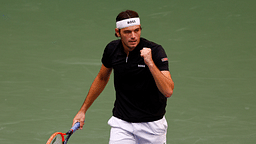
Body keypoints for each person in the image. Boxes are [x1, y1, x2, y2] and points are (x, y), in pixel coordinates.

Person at [72, 10, 174, 144]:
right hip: (122, 123)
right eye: (127, 32)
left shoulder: (155, 51)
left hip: (152, 126)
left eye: (137, 30)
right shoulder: (112, 49)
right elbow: (102, 78)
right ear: (117, 32)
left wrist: (150, 63)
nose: (133, 36)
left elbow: (168, 91)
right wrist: (82, 110)